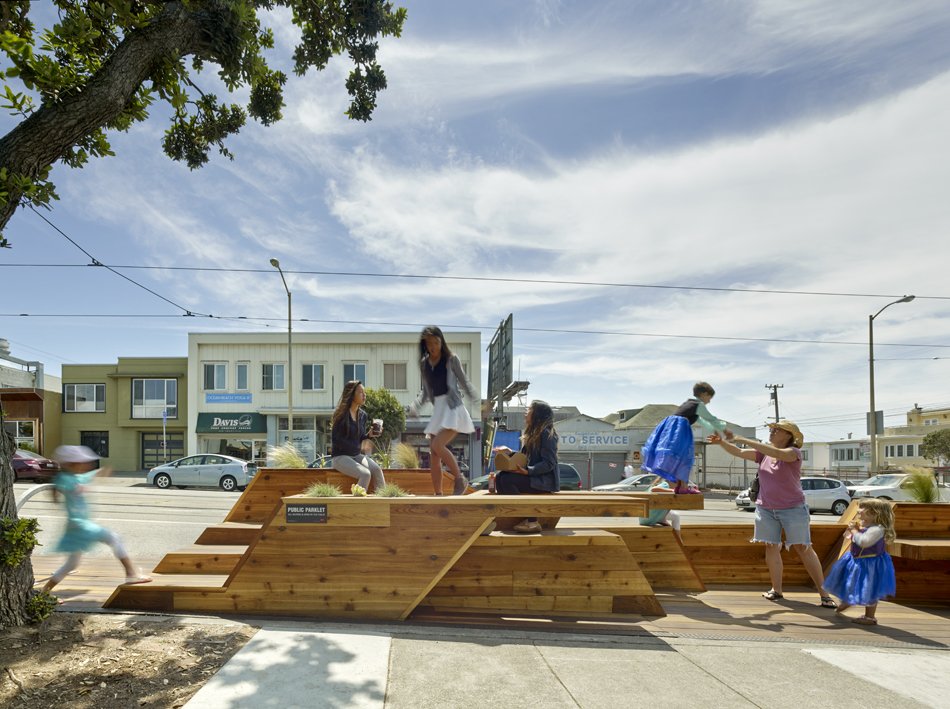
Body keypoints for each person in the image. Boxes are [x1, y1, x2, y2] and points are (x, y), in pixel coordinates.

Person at [712, 421, 837, 608]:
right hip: (766, 509)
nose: (771, 431)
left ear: (788, 435)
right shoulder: (764, 453)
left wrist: (742, 438)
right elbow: (738, 453)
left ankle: (824, 594)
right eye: (771, 429)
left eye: (776, 430)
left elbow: (778, 454)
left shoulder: (793, 453)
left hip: (793, 508)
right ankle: (776, 590)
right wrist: (721, 442)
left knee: (803, 548)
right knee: (771, 547)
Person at [40, 445, 151, 596]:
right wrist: (56, 493)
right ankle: (131, 574)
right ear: (71, 464)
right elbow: (58, 486)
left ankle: (44, 592)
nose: (87, 465)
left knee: (72, 563)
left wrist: (99, 472)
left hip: (76, 525)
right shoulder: (65, 479)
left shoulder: (74, 477)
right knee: (113, 538)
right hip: (79, 524)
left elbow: (85, 477)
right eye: (82, 462)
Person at [409, 325, 477, 495]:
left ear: (442, 342)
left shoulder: (451, 359)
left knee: (437, 444)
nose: (433, 346)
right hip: (438, 408)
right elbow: (426, 392)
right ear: (424, 344)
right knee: (434, 453)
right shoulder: (424, 364)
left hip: (453, 407)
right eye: (429, 343)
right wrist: (415, 406)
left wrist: (477, 401)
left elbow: (464, 382)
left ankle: (459, 478)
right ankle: (438, 494)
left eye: (436, 342)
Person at [641, 381, 731, 494]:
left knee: (679, 455)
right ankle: (683, 486)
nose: (709, 401)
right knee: (684, 456)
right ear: (703, 394)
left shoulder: (689, 404)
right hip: (679, 429)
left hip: (670, 428)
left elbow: (702, 421)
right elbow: (711, 418)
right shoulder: (699, 405)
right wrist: (725, 430)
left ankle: (681, 485)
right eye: (709, 397)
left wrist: (714, 430)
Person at [824, 498, 897, 625]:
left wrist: (854, 531)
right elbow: (850, 537)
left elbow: (864, 542)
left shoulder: (877, 529)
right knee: (851, 582)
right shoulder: (867, 527)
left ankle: (869, 617)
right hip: (858, 561)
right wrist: (852, 531)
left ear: (875, 513)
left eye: (862, 508)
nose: (858, 511)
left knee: (870, 589)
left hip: (871, 564)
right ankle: (848, 599)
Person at [493, 400, 560, 533]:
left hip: (544, 481)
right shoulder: (534, 433)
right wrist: (509, 452)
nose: (525, 412)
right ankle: (507, 516)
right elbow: (524, 458)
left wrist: (528, 471)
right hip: (534, 477)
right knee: (500, 477)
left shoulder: (546, 434)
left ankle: (532, 521)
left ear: (537, 415)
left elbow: (549, 463)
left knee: (507, 480)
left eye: (529, 409)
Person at [330, 380, 385, 491]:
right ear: (352, 394)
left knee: (377, 470)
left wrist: (369, 435)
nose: (364, 395)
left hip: (356, 456)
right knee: (365, 474)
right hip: (340, 457)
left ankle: (383, 499)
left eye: (364, 392)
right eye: (360, 392)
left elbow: (359, 438)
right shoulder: (340, 415)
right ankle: (357, 504)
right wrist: (355, 447)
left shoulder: (362, 415)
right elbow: (336, 440)